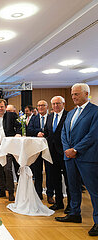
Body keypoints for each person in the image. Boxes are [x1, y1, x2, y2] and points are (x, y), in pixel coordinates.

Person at [56, 83, 98, 237]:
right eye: (72, 94)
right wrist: (68, 149)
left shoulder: (95, 112)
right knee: (72, 187)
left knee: (94, 191)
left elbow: (93, 135)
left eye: (77, 94)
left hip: (87, 158)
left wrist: (75, 149)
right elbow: (64, 133)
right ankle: (74, 213)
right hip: (70, 157)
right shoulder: (71, 113)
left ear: (87, 94)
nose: (73, 97)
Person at [43, 96, 70, 212]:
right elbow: (47, 132)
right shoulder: (50, 117)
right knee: (55, 179)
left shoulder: (68, 115)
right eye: (53, 104)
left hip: (65, 152)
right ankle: (59, 203)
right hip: (52, 153)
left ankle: (71, 205)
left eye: (58, 103)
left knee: (69, 180)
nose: (55, 106)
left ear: (63, 104)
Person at [0, 99, 21, 201]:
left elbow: (19, 126)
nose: (0, 109)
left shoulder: (11, 116)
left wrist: (18, 134)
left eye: (2, 107)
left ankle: (11, 192)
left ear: (5, 106)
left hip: (7, 146)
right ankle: (2, 190)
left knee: (7, 169)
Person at [27, 100, 53, 202]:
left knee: (49, 172)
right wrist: (38, 132)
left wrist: (44, 133)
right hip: (36, 148)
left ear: (47, 107)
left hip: (49, 148)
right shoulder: (34, 118)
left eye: (43, 105)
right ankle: (38, 194)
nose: (40, 107)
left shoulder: (51, 117)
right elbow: (29, 129)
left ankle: (50, 194)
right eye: (38, 106)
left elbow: (52, 130)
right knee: (37, 172)